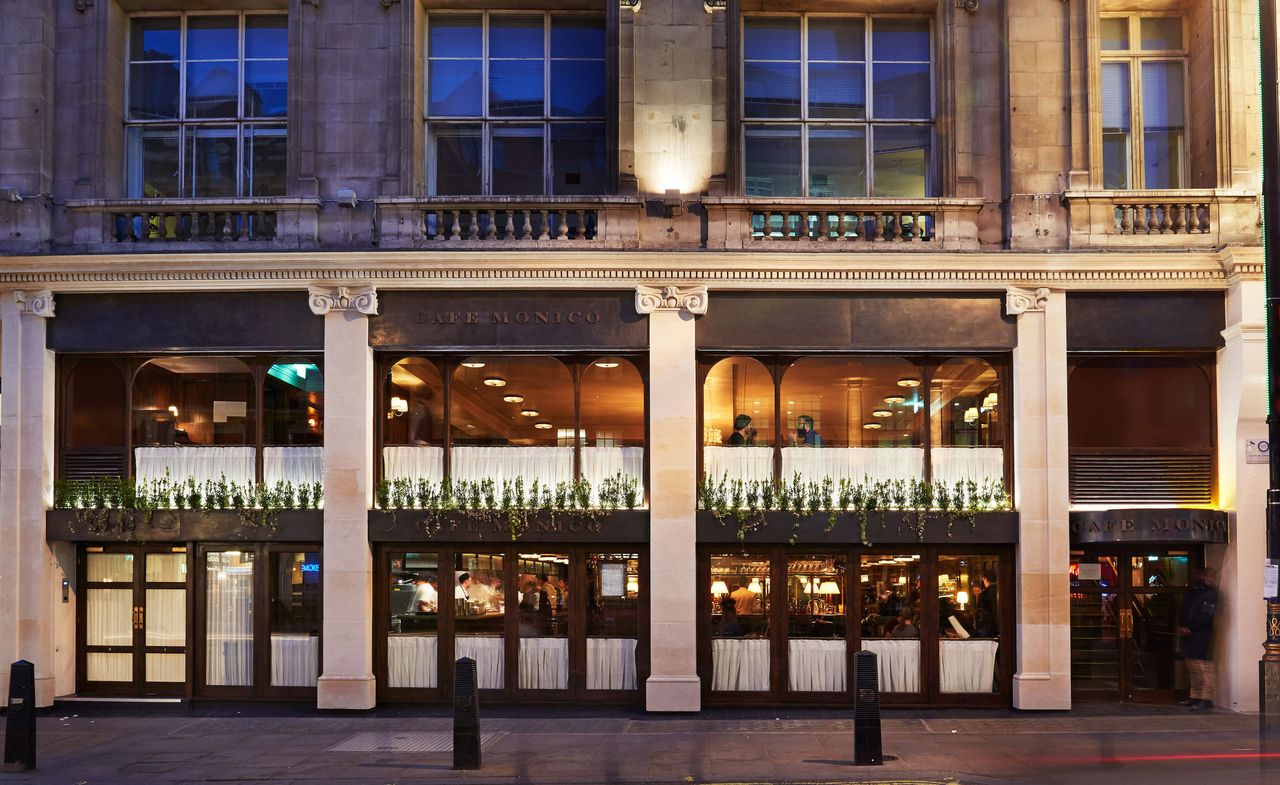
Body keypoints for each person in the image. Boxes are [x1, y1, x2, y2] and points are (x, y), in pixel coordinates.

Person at [1177, 567, 1219, 711]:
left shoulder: (1210, 594)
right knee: (1193, 668)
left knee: (1203, 669)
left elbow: (1206, 615)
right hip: (1189, 636)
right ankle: (1195, 696)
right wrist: (1182, 626)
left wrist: (1190, 627)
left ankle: (1205, 698)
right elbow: (1184, 610)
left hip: (1201, 636)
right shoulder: (1192, 592)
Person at [975, 572, 999, 638]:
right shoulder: (1001, 592)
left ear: (985, 579)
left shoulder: (984, 594)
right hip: (1000, 624)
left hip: (988, 626)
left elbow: (980, 611)